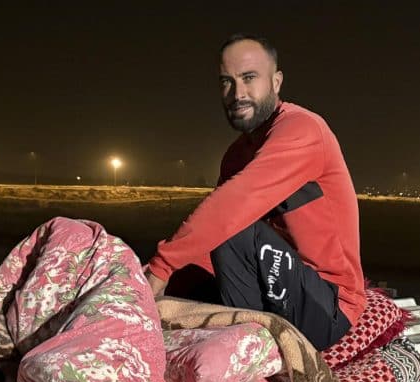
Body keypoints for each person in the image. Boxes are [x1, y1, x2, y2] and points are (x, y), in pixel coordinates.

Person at [144, 33, 366, 350]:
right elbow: (211, 238)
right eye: (227, 82)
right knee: (182, 280)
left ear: (276, 82)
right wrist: (168, 278)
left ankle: (248, 352)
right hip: (271, 284)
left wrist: (162, 266)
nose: (238, 93)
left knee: (233, 232)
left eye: (249, 78)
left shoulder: (302, 129)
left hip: (329, 305)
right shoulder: (236, 154)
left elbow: (233, 209)